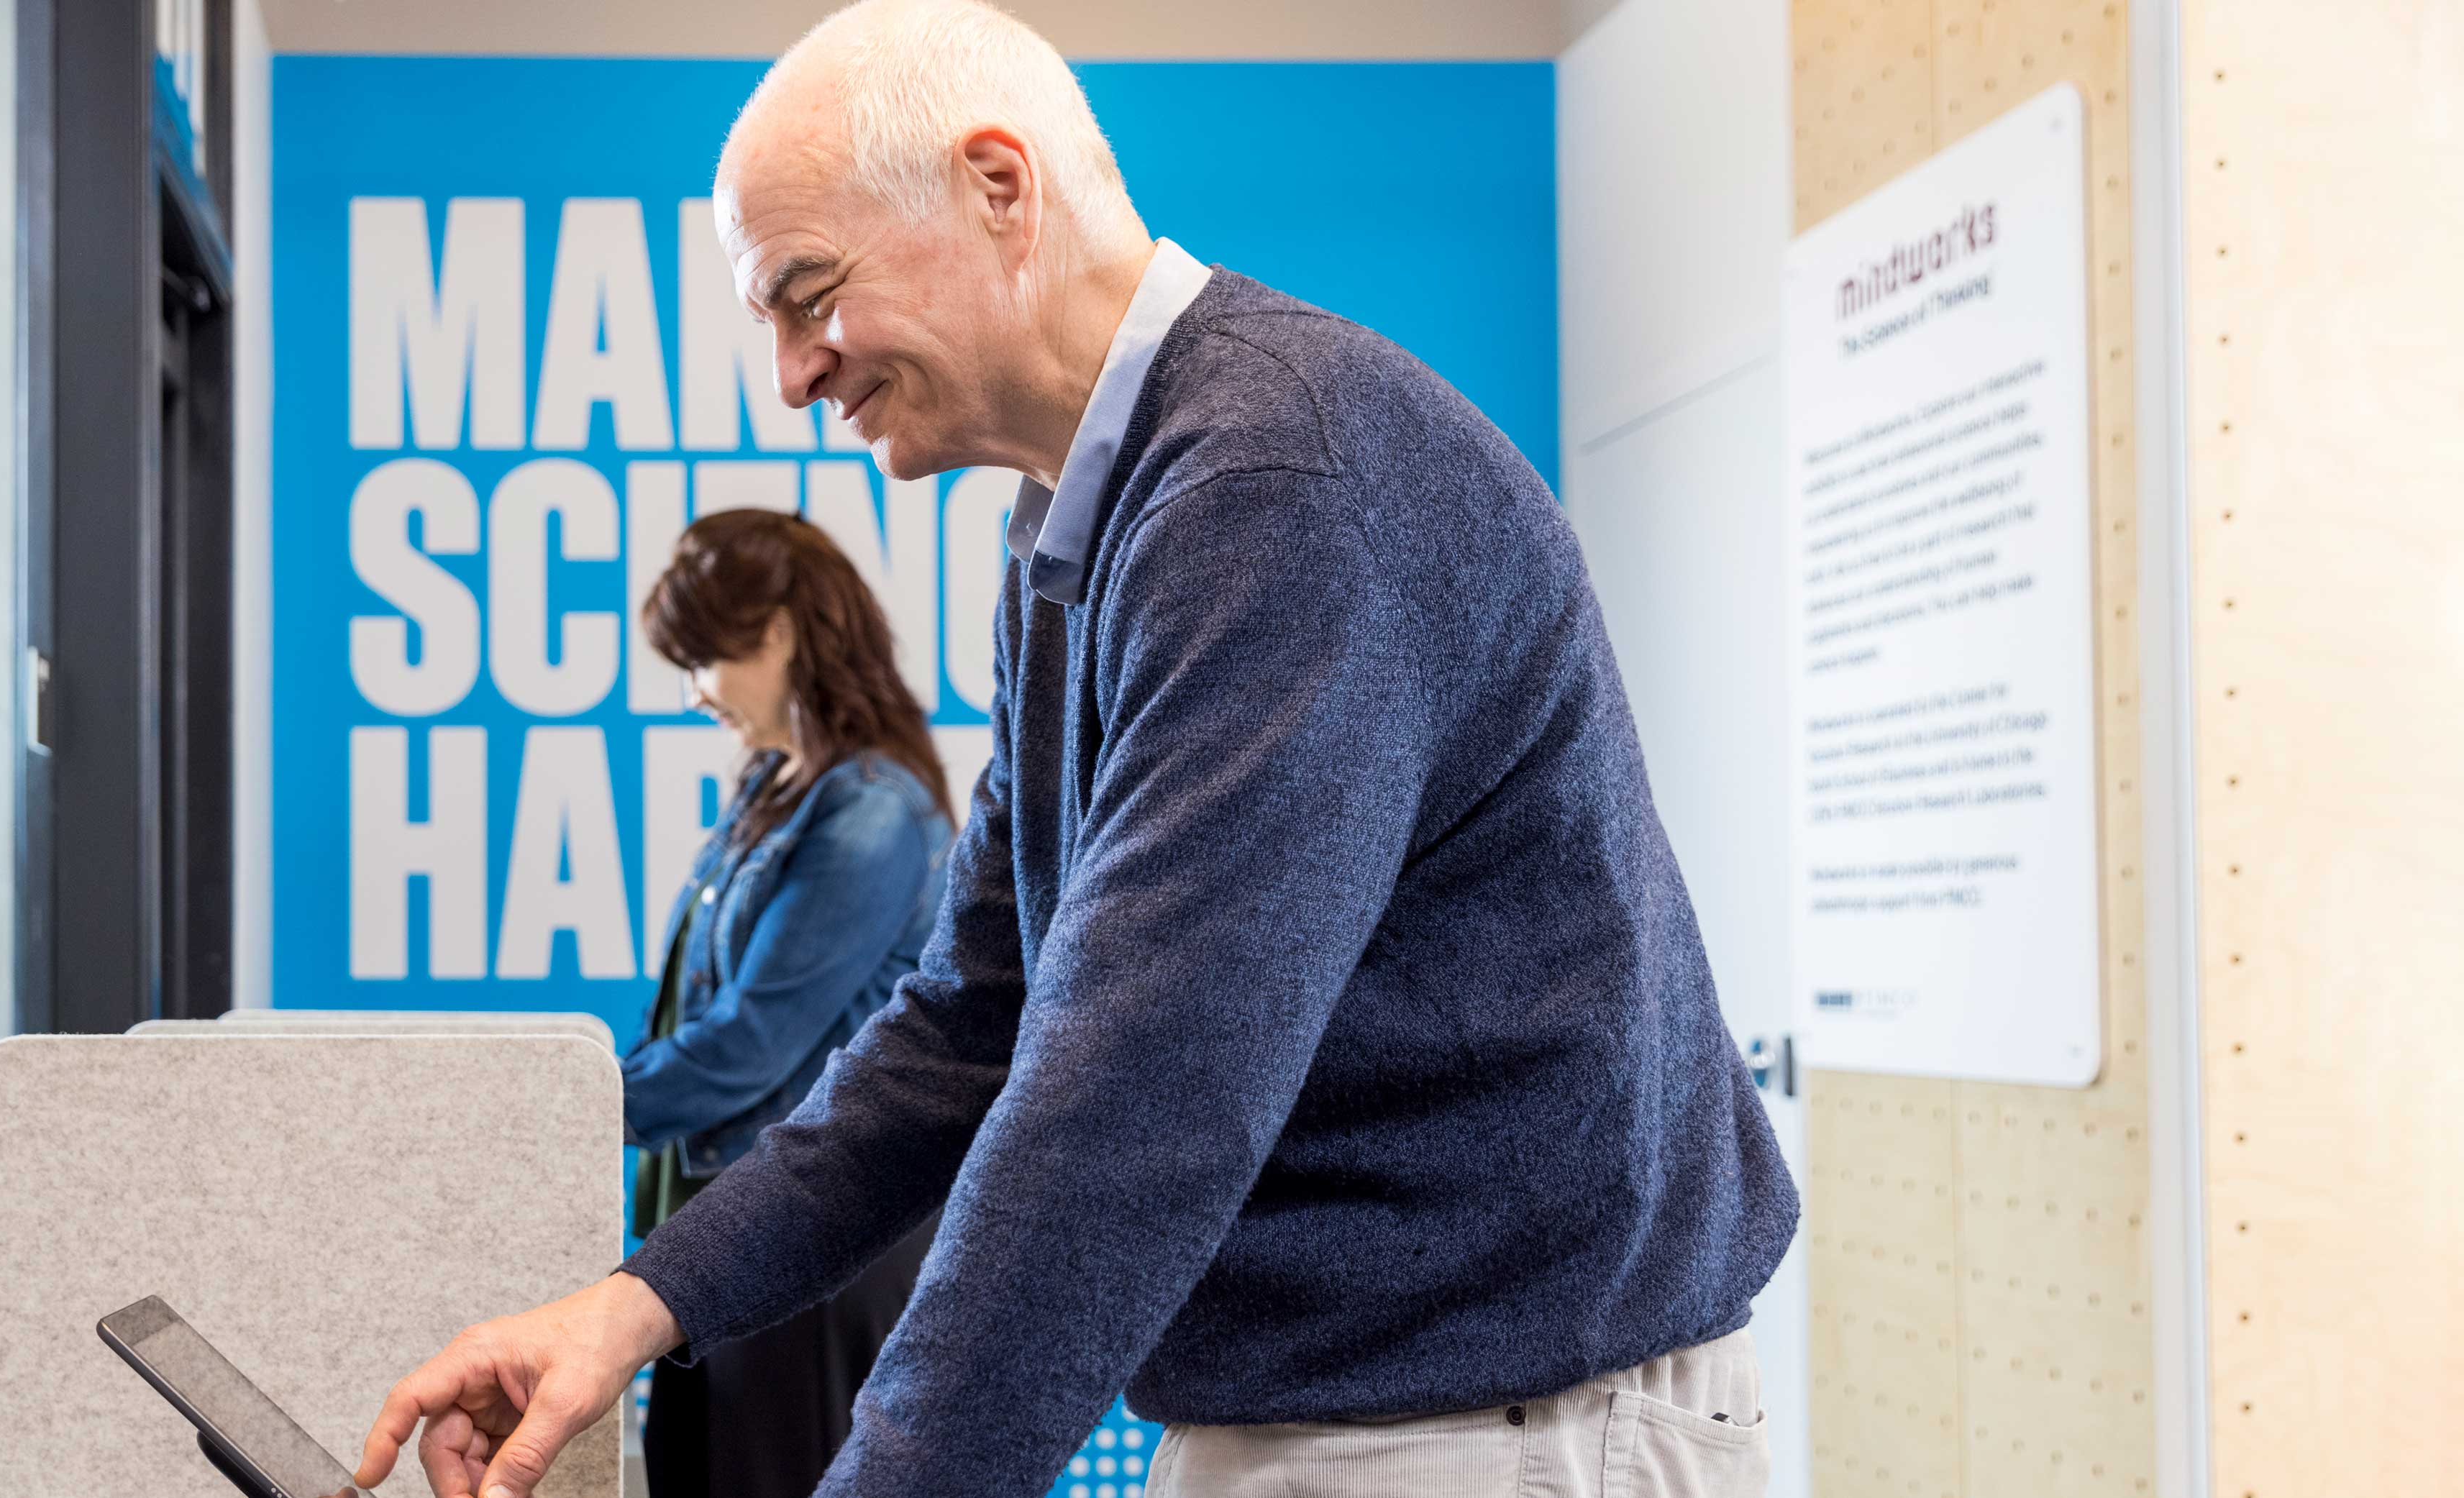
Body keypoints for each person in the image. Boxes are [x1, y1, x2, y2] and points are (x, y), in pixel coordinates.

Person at [355, 3, 1799, 1497]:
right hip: (1334, 1408)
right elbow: (970, 1024)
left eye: (807, 295)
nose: (791, 373)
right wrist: (633, 1308)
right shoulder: (1080, 521)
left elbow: (1138, 1097)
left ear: (999, 187)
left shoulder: (1277, 478)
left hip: (1486, 1424)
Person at [624, 509, 954, 1498]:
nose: (696, 694)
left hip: (821, 1247)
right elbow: (694, 1011)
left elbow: (743, 1047)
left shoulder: (871, 811)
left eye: (704, 662)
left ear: (775, 634)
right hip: (737, 1235)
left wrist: (569, 1100)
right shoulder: (776, 784)